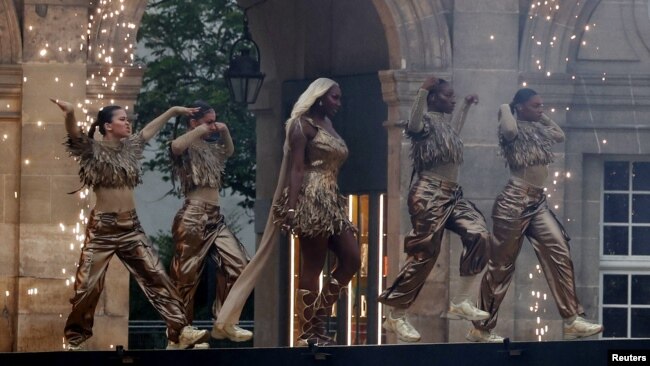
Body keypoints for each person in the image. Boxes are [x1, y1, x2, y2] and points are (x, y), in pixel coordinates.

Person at [211, 78, 360, 347]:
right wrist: (292, 206)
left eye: (339, 97)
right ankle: (307, 332)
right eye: (335, 97)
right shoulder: (302, 127)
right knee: (313, 266)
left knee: (352, 259)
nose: (339, 102)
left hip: (332, 201)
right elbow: (296, 169)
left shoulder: (329, 125)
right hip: (311, 199)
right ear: (320, 97)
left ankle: (318, 319)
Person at [51, 99, 208, 350]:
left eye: (127, 119)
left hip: (130, 228)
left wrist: (172, 111)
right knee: (86, 287)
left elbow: (148, 131)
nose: (128, 122)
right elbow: (73, 133)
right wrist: (70, 113)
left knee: (157, 275)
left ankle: (180, 332)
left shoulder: (130, 148)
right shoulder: (92, 150)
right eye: (122, 119)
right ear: (107, 126)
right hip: (102, 229)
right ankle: (74, 339)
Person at [467, 88, 603, 342]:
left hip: (537, 202)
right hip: (513, 202)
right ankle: (480, 328)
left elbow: (560, 135)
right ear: (520, 107)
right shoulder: (510, 129)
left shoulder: (538, 131)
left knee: (559, 250)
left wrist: (540, 117)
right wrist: (506, 108)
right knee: (501, 266)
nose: (542, 109)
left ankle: (572, 319)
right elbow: (509, 130)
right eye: (536, 106)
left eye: (542, 105)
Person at [377, 76, 490, 343]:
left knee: (480, 234)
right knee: (424, 255)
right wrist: (422, 90)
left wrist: (464, 106)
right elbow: (414, 123)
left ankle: (461, 300)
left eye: (453, 96)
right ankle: (395, 315)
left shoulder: (444, 126)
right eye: (448, 96)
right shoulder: (424, 123)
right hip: (428, 193)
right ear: (434, 99)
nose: (451, 99)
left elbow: (453, 134)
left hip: (452, 193)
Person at [167, 100, 251, 346]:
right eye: (208, 121)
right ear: (194, 123)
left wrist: (223, 131)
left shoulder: (211, 148)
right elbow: (176, 146)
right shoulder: (186, 145)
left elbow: (229, 151)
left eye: (215, 120)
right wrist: (200, 129)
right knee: (186, 277)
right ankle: (178, 335)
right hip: (193, 215)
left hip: (215, 217)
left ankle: (224, 322)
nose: (213, 126)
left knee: (240, 265)